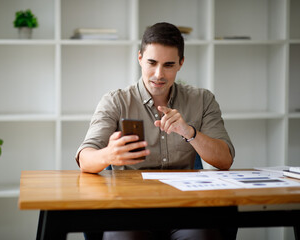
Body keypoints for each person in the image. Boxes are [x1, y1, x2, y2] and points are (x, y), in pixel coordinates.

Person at [76, 22, 236, 240]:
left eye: (169, 65)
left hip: (186, 210)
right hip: (129, 210)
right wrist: (108, 155)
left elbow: (225, 160)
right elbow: (85, 159)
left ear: (181, 63)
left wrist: (189, 132)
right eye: (152, 62)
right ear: (140, 58)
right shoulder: (115, 101)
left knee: (204, 236)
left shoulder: (202, 100)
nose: (158, 74)